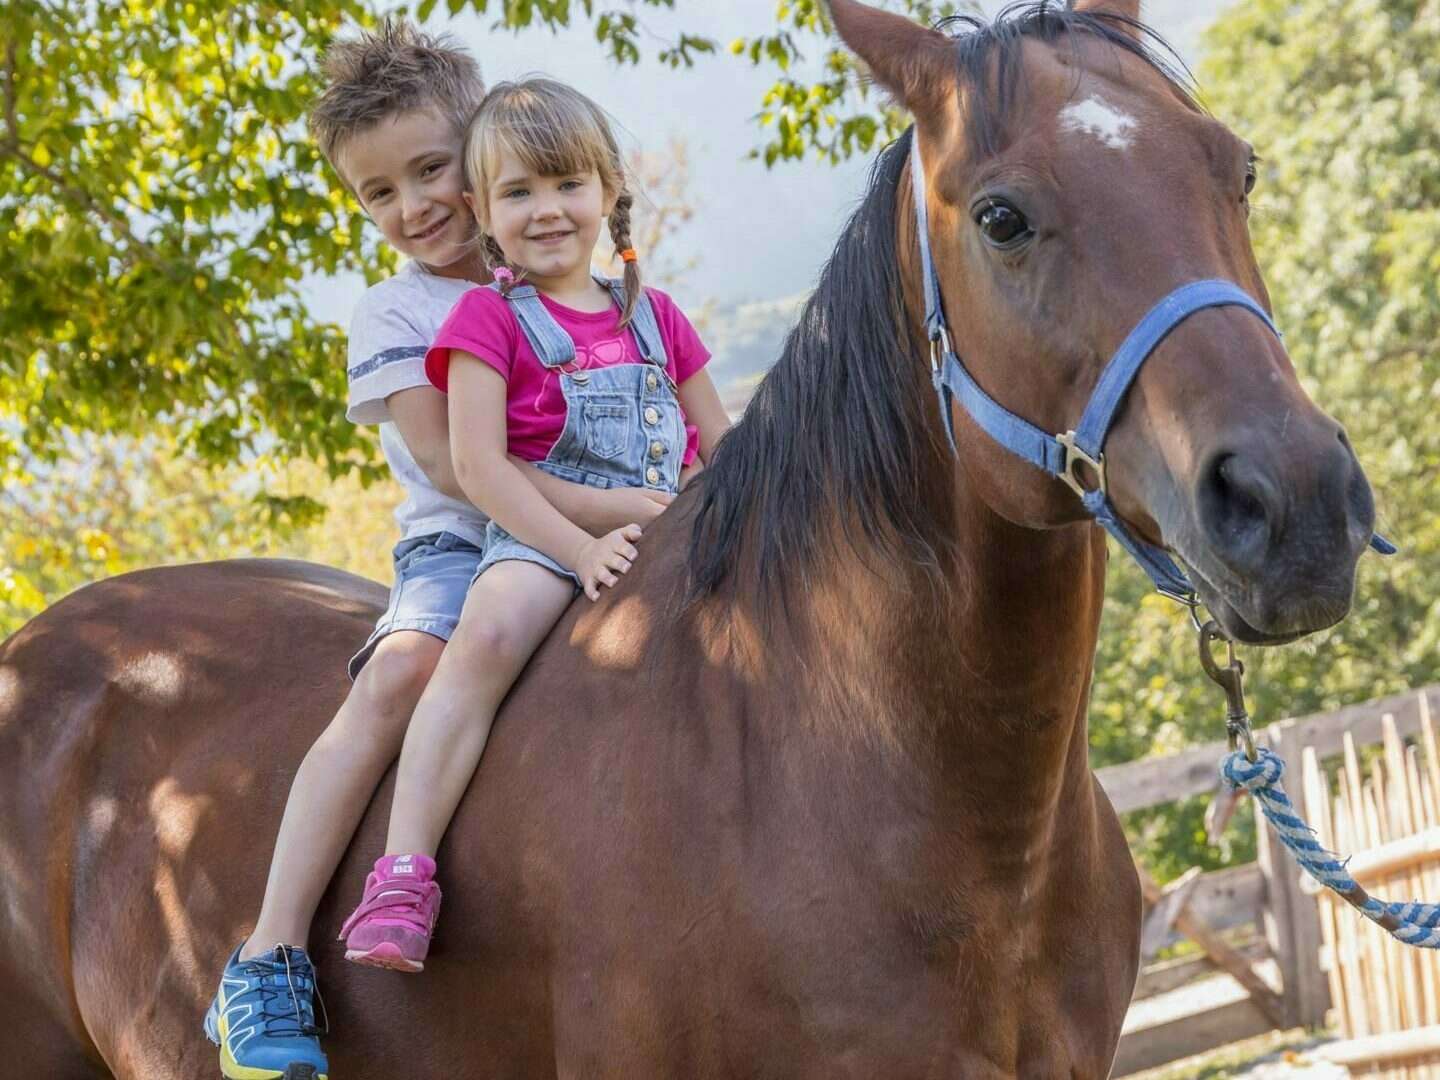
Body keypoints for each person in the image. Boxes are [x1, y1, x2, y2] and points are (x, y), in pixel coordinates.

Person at [203, 28, 670, 1080]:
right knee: (407, 670)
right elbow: (460, 468)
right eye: (377, 194)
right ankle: (270, 951)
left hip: (600, 524)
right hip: (464, 544)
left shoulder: (563, 273)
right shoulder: (401, 310)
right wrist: (637, 505)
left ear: (482, 155)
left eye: (430, 172)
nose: (412, 208)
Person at [335, 76, 731, 976]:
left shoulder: (656, 314)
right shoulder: (485, 318)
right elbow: (477, 467)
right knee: (487, 638)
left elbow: (718, 443)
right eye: (518, 193)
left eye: (566, 186)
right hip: (538, 535)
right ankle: (403, 871)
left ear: (608, 194)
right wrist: (577, 547)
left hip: (671, 522)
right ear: (483, 210)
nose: (546, 210)